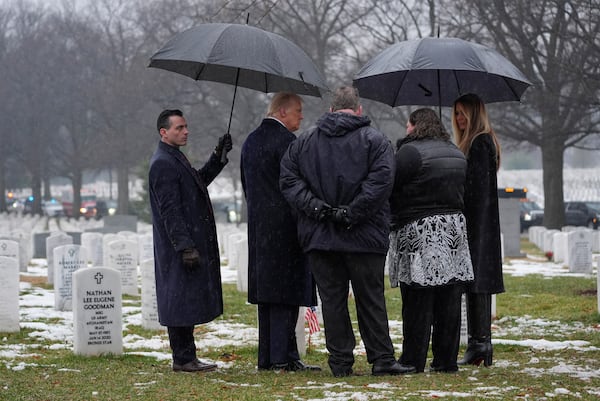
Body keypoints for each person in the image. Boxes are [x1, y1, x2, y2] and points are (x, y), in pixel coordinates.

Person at [280, 86, 414, 377]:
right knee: (371, 299)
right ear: (359, 110)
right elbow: (380, 184)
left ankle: (340, 362)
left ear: (330, 110)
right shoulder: (375, 141)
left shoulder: (304, 143)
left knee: (332, 301)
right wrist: (351, 213)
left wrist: (318, 209)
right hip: (365, 236)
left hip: (321, 236)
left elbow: (290, 181)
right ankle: (381, 358)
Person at [388, 108, 474, 373]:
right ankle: (446, 360)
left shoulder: (409, 153)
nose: (406, 130)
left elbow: (391, 186)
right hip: (453, 232)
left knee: (417, 300)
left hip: (418, 230)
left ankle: (413, 359)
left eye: (407, 126)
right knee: (449, 299)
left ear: (415, 126)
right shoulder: (457, 152)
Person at [240, 93, 320, 372]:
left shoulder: (250, 141)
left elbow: (247, 187)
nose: (301, 116)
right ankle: (282, 358)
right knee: (285, 295)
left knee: (268, 296)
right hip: (287, 228)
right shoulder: (287, 142)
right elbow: (298, 186)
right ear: (283, 112)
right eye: (298, 111)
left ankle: (270, 357)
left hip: (260, 229)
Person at [149, 109, 232, 372]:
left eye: (186, 127)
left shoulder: (174, 157)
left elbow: (197, 182)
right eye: (179, 128)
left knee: (184, 300)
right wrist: (185, 246)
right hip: (177, 247)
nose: (185, 131)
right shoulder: (163, 162)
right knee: (179, 300)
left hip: (184, 244)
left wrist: (217, 158)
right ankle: (183, 358)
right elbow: (170, 210)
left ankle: (187, 356)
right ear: (164, 132)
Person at [452, 93, 504, 367]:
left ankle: (481, 343)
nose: (459, 119)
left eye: (463, 113)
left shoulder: (480, 142)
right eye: (456, 114)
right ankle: (479, 344)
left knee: (478, 283)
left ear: (475, 114)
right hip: (478, 223)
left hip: (477, 223)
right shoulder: (475, 143)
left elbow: (475, 190)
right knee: (474, 283)